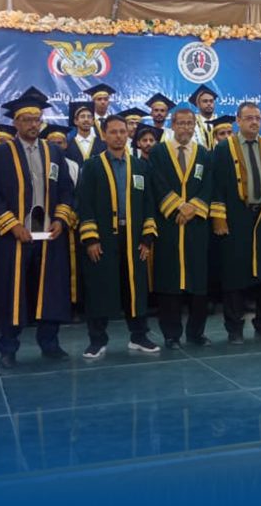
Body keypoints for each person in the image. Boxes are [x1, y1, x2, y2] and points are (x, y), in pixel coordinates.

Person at [0, 92, 76, 368]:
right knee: (12, 292)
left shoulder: (54, 152)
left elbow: (66, 190)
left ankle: (50, 343)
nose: (33, 124)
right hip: (15, 237)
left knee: (50, 291)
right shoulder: (1, 153)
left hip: (49, 235)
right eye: (26, 119)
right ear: (15, 123)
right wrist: (12, 225)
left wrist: (60, 219)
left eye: (37, 119)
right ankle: (8, 347)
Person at [77, 115, 159, 358]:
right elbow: (84, 204)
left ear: (128, 134)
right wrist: (91, 239)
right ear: (104, 135)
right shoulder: (92, 166)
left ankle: (139, 336)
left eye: (123, 131)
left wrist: (147, 238)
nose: (119, 136)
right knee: (99, 287)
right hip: (103, 237)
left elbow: (149, 203)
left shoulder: (140, 167)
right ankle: (97, 340)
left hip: (133, 236)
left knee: (136, 287)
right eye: (113, 132)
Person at [210, 102, 261, 343]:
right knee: (235, 274)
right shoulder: (224, 149)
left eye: (257, 118)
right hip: (236, 217)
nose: (254, 122)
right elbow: (216, 185)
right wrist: (219, 218)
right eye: (249, 118)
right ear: (238, 121)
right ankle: (234, 327)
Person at [148, 107, 213, 348]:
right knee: (169, 282)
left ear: (194, 126)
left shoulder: (204, 154)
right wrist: (177, 206)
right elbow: (156, 182)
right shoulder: (158, 152)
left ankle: (196, 333)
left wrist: (193, 207)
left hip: (196, 226)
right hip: (169, 225)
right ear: (173, 125)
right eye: (181, 123)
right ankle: (171, 334)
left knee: (199, 282)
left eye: (189, 123)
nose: (186, 127)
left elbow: (209, 184)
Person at [190, 84, 218, 149]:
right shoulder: (192, 123)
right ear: (198, 104)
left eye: (211, 101)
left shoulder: (220, 122)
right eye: (205, 101)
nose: (209, 104)